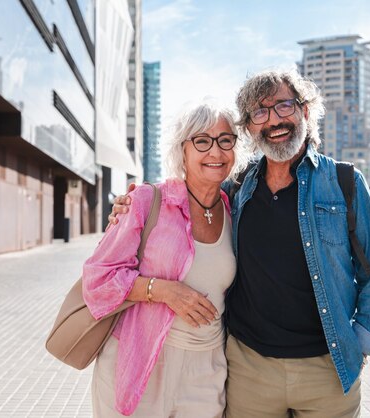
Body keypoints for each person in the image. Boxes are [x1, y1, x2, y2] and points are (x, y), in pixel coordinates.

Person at [110, 69, 370, 418]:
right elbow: (190, 190)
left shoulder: (345, 182)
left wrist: (360, 347)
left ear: (305, 111)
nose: (273, 120)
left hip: (328, 370)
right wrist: (134, 202)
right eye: (260, 112)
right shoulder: (236, 190)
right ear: (249, 128)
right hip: (249, 369)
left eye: (283, 106)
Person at [82, 101, 249, 417]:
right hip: (140, 361)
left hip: (207, 367)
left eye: (225, 140)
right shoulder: (146, 200)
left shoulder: (234, 209)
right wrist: (164, 291)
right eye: (202, 141)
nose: (216, 151)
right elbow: (97, 280)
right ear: (182, 150)